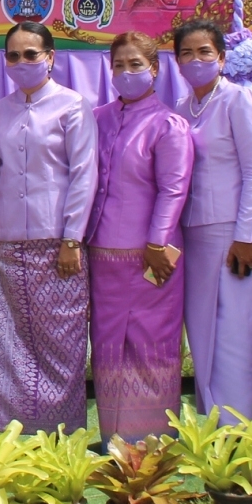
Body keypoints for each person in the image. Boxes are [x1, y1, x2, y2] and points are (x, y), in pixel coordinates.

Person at [0, 23, 98, 435]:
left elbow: (83, 175)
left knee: (61, 344)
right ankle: (11, 433)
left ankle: (61, 434)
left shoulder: (72, 106)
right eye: (14, 55)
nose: (22, 62)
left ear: (50, 58)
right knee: (12, 345)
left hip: (58, 246)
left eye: (31, 54)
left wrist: (72, 239)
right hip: (10, 247)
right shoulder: (0, 110)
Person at [86, 31, 192, 443]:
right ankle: (112, 439)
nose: (126, 72)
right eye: (119, 65)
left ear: (155, 69)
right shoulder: (98, 119)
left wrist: (156, 242)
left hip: (151, 256)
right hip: (102, 256)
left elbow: (173, 189)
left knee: (150, 344)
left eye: (135, 64)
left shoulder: (168, 125)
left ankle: (152, 441)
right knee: (108, 345)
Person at [171, 19, 252, 420]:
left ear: (222, 58)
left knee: (234, 337)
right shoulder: (181, 108)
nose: (196, 60)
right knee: (202, 334)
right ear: (177, 62)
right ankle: (211, 424)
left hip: (231, 234)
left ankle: (239, 429)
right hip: (192, 235)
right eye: (187, 53)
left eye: (204, 52)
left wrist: (246, 235)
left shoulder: (238, 99)